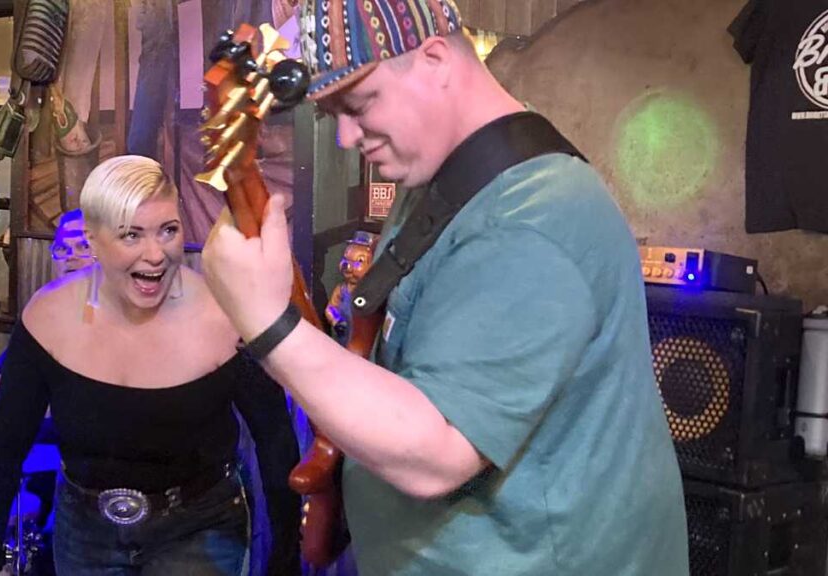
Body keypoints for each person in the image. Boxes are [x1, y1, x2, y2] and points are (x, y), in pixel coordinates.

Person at [201, 1, 690, 575]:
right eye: (333, 115)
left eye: (358, 105)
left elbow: (437, 453)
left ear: (434, 59)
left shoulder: (532, 218)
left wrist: (268, 326)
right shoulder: (447, 178)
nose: (347, 137)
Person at [0, 155, 301, 576]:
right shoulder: (48, 318)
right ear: (92, 240)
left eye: (168, 230)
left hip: (200, 529)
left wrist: (286, 557)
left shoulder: (225, 316)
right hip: (85, 532)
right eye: (131, 235)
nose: (156, 254)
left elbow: (275, 439)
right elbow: (3, 449)